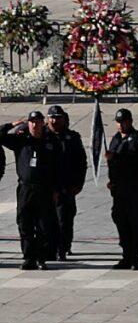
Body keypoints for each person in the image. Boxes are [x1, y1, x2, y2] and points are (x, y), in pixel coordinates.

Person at [0, 109, 59, 267]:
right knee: (24, 223)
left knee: (42, 225)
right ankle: (29, 257)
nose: (34, 125)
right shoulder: (21, 140)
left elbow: (59, 167)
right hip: (26, 189)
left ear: (42, 123)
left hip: (44, 189)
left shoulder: (50, 142)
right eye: (31, 122)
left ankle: (41, 257)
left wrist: (57, 190)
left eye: (37, 122)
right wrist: (12, 124)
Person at [103, 108, 138, 268]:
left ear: (130, 121)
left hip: (134, 188)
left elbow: (133, 159)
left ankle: (135, 256)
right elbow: (113, 165)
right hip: (119, 189)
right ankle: (126, 254)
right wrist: (111, 180)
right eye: (118, 122)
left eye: (124, 122)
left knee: (135, 222)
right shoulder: (116, 139)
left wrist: (115, 157)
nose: (121, 125)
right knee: (120, 219)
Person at [42, 104, 82, 259]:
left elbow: (80, 162)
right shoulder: (41, 136)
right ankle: (48, 248)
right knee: (45, 220)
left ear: (64, 119)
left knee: (64, 220)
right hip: (46, 187)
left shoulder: (72, 137)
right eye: (51, 118)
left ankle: (63, 248)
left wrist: (78, 184)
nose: (54, 121)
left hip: (66, 186)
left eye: (58, 118)